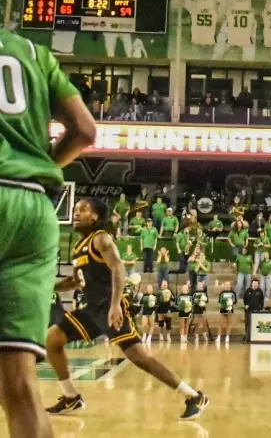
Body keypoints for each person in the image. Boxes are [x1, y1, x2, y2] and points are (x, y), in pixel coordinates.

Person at [0, 28, 96, 438]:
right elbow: (86, 131)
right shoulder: (33, 53)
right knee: (20, 387)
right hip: (34, 208)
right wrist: (44, 168)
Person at [44, 198, 208, 420]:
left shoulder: (101, 238)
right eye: (75, 210)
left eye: (83, 209)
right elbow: (76, 281)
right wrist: (50, 287)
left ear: (95, 217)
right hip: (92, 310)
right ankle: (71, 396)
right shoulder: (78, 247)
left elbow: (118, 268)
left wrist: (114, 305)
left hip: (111, 306)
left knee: (139, 358)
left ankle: (194, 396)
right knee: (53, 340)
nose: (76, 213)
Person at [217, 281, 237, 346]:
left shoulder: (233, 293)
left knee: (229, 323)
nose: (227, 285)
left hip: (230, 309)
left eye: (228, 284)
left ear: (230, 285)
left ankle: (227, 337)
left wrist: (230, 303)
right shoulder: (222, 293)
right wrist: (224, 303)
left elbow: (235, 301)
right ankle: (219, 337)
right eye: (226, 284)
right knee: (220, 323)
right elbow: (220, 301)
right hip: (223, 309)